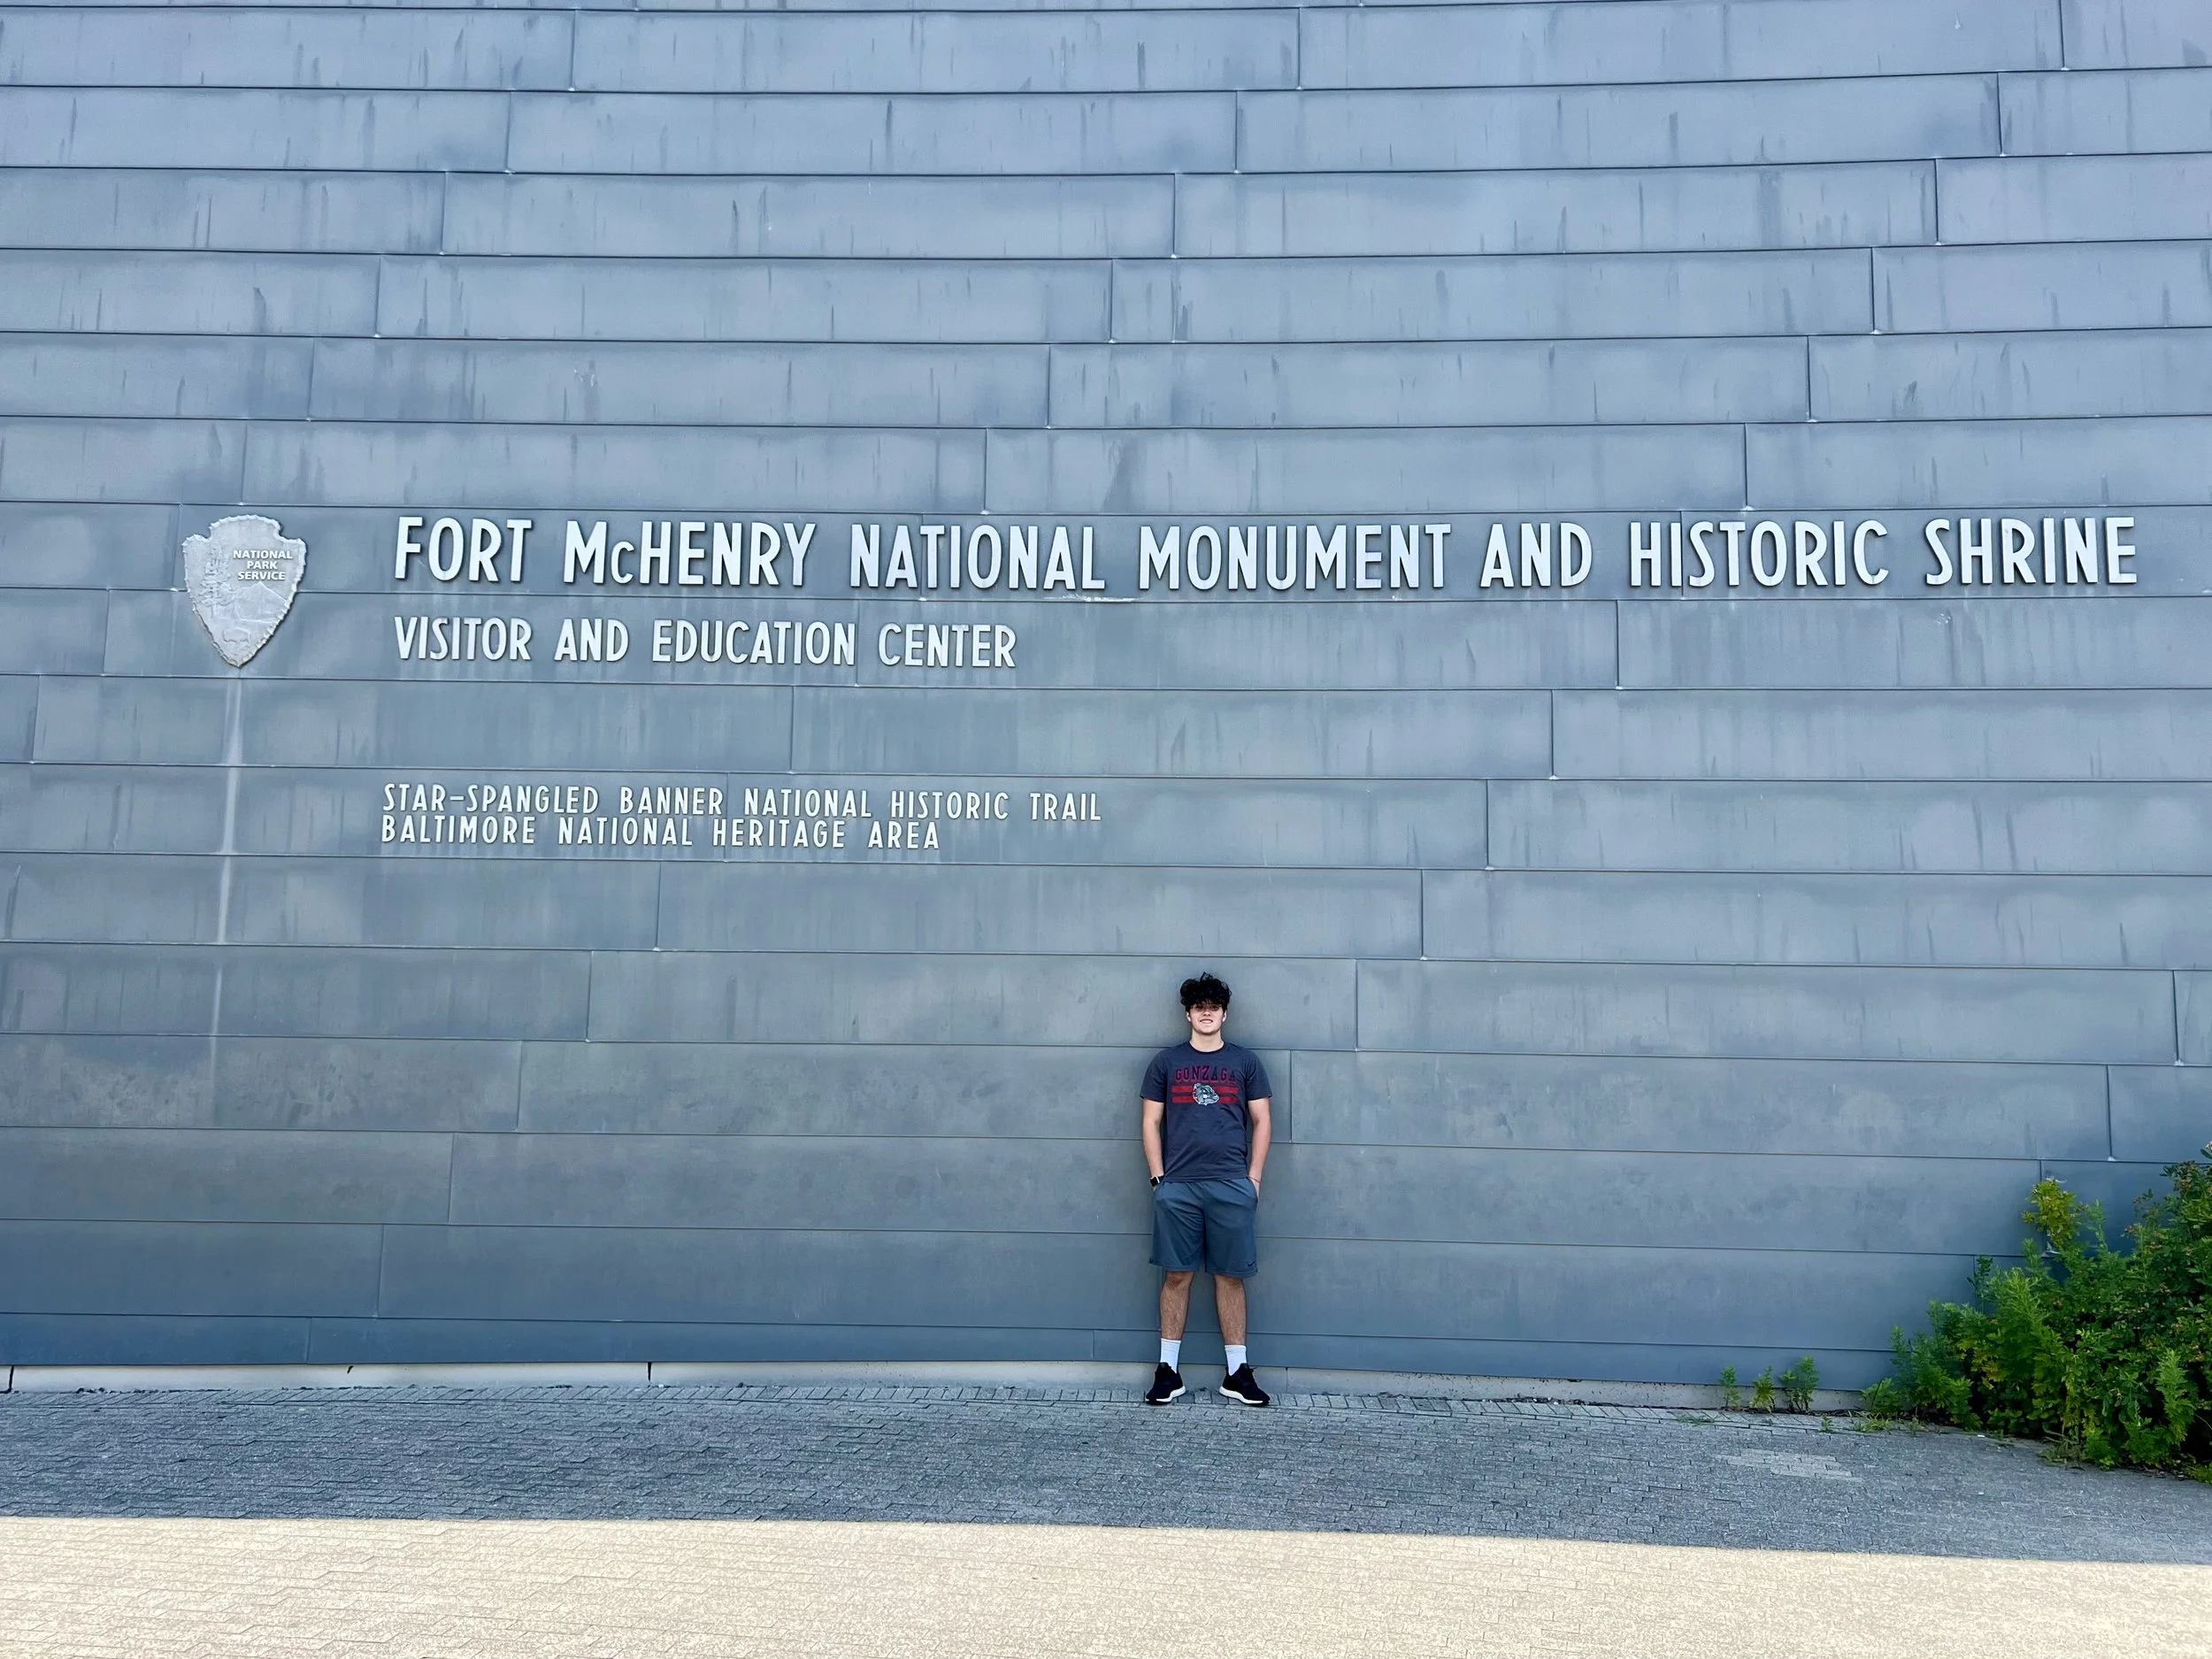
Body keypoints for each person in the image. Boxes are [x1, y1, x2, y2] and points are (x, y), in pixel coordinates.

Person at [1141, 972, 1272, 1408]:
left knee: (1230, 1276)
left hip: (1231, 1185)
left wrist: (1253, 1179)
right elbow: (1150, 1122)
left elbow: (1262, 1121)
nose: (1207, 1011)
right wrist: (1159, 1179)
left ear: (1225, 1013)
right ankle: (1168, 1371)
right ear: (1189, 1014)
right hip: (1178, 1186)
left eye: (1214, 1005)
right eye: (1199, 1006)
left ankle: (1237, 1372)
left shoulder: (1245, 1063)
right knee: (1176, 1276)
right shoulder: (1166, 1062)